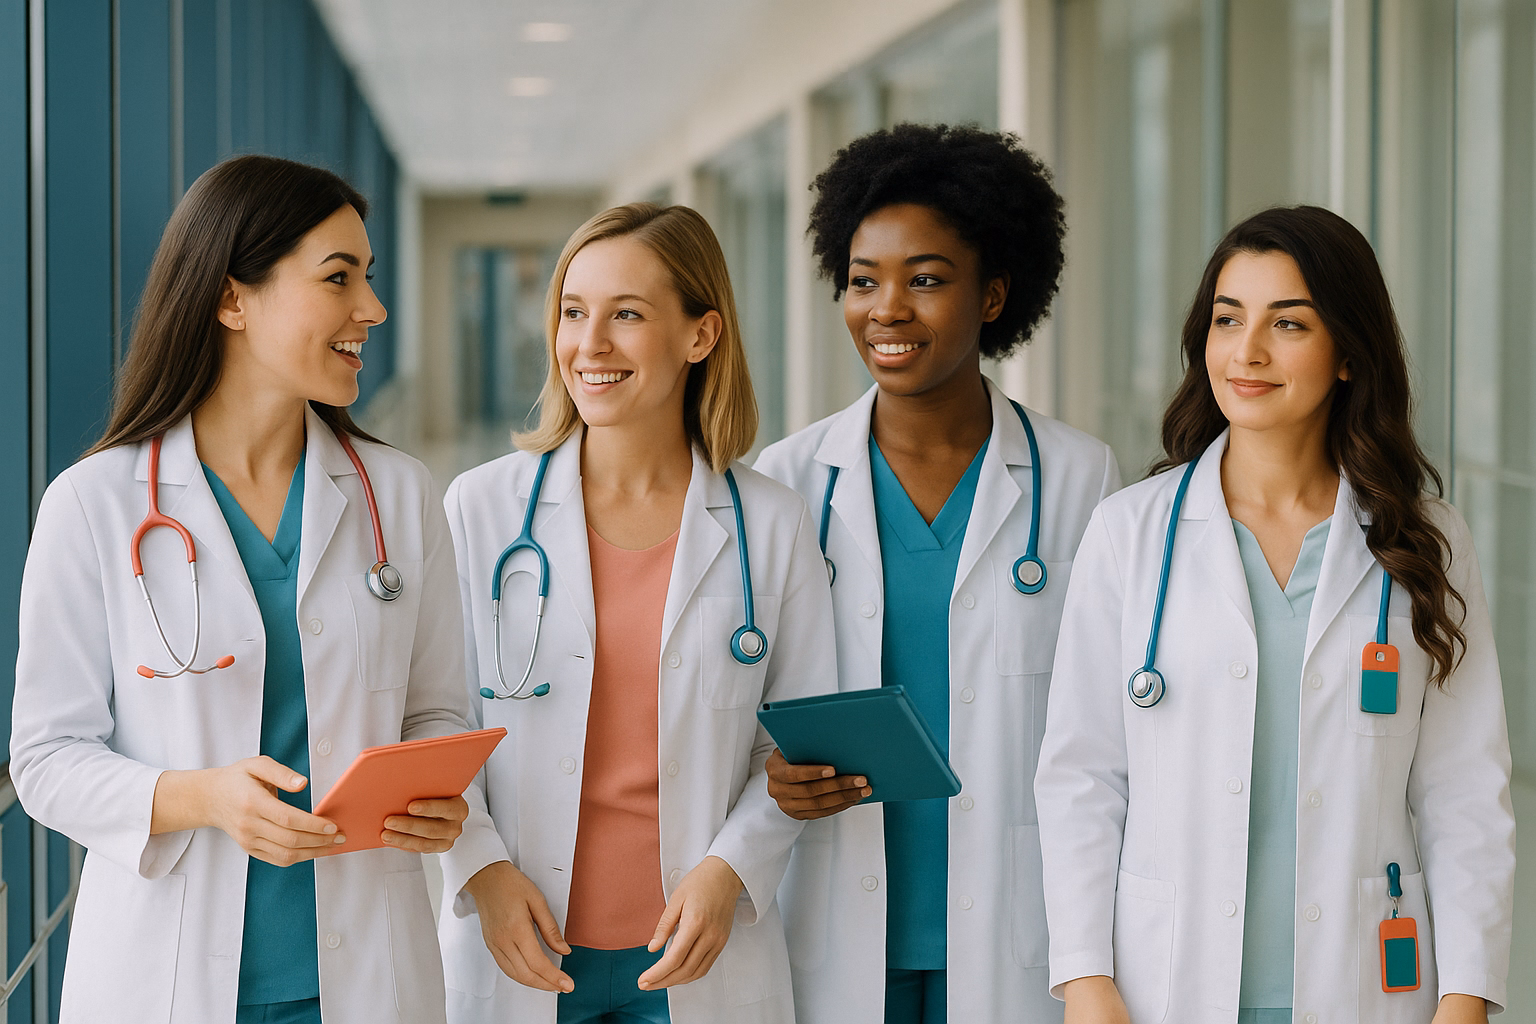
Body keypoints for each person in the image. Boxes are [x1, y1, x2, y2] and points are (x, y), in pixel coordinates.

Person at [11, 154, 474, 1024]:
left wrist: (435, 795)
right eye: (339, 279)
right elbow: (44, 760)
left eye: (368, 278)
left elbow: (438, 710)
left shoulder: (398, 495)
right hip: (165, 979)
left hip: (369, 972)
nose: (372, 310)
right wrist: (203, 798)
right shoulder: (97, 505)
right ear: (232, 300)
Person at [1035, 205, 1515, 1024]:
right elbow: (1082, 776)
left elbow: (1464, 790)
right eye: (1229, 319)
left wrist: (1465, 1000)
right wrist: (1088, 984)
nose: (1247, 352)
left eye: (1287, 323)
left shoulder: (1423, 539)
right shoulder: (1132, 532)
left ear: (1348, 355)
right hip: (1164, 989)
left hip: (1367, 986)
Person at [436, 202, 837, 1024]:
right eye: (574, 314)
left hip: (697, 956)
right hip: (522, 949)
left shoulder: (771, 523)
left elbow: (795, 746)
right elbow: (438, 724)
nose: (591, 345)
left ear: (702, 334)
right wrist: (483, 871)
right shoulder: (482, 510)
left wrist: (731, 869)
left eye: (627, 315)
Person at [755, 123, 1120, 1024]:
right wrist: (770, 768)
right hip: (833, 917)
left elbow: (1110, 725)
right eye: (863, 280)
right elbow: (742, 697)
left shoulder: (1080, 478)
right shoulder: (788, 483)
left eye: (925, 279)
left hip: (1016, 925)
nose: (887, 309)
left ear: (995, 294)